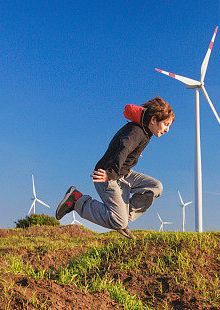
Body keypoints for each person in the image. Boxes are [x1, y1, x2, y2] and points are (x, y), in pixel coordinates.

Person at [55, 96, 174, 239]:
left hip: (124, 174)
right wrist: (110, 174)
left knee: (155, 186)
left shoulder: (145, 131)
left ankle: (123, 217)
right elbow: (124, 149)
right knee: (118, 220)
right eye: (166, 124)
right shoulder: (136, 131)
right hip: (107, 175)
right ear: (154, 120)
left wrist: (136, 154)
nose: (167, 129)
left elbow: (126, 147)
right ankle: (77, 200)